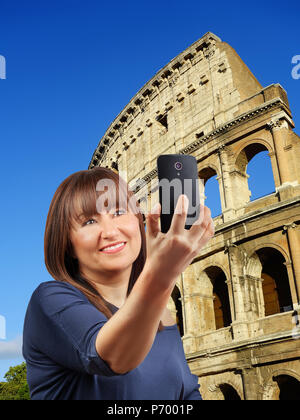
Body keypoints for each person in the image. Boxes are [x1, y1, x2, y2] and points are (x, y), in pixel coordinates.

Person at [22, 167, 214, 400]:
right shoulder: (49, 299)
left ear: (138, 220)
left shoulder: (162, 316)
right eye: (89, 221)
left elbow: (187, 394)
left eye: (119, 212)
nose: (110, 231)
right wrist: (162, 274)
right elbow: (109, 357)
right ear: (68, 244)